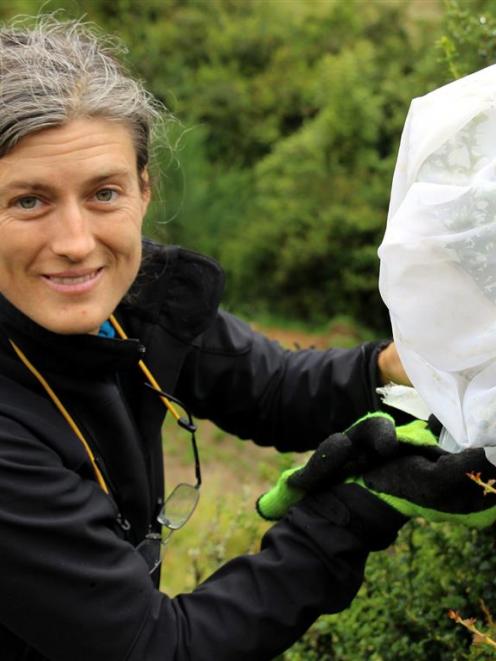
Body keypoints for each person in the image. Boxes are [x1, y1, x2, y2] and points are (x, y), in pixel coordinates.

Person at [0, 14, 413, 661]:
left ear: (143, 190)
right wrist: (352, 511)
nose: (76, 243)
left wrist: (391, 366)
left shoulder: (130, 301)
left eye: (103, 192)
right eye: (28, 201)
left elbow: (269, 386)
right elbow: (157, 648)